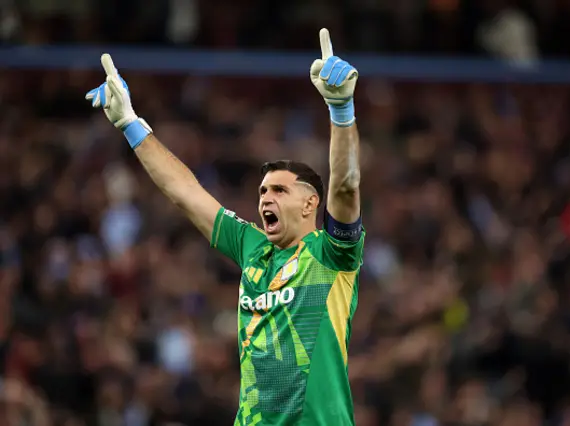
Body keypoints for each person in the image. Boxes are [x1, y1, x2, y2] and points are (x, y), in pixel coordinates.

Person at [85, 28, 365, 426]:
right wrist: (131, 123)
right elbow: (186, 193)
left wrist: (342, 112)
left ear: (310, 204)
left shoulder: (332, 256)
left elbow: (346, 184)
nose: (266, 198)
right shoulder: (252, 247)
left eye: (280, 191)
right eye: (263, 191)